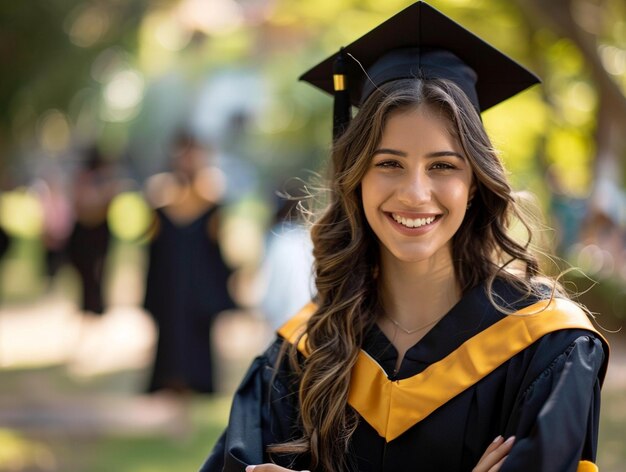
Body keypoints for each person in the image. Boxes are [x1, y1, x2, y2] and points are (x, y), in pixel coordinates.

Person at [199, 2, 609, 471]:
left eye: (443, 166)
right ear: (356, 179)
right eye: (388, 163)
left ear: (475, 183)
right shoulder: (302, 354)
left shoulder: (547, 350)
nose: (415, 193)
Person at [143, 131, 235, 394]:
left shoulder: (211, 201)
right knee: (170, 331)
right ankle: (169, 379)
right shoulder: (161, 199)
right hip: (169, 281)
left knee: (197, 333)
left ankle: (199, 381)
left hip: (200, 283)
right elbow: (153, 251)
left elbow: (218, 249)